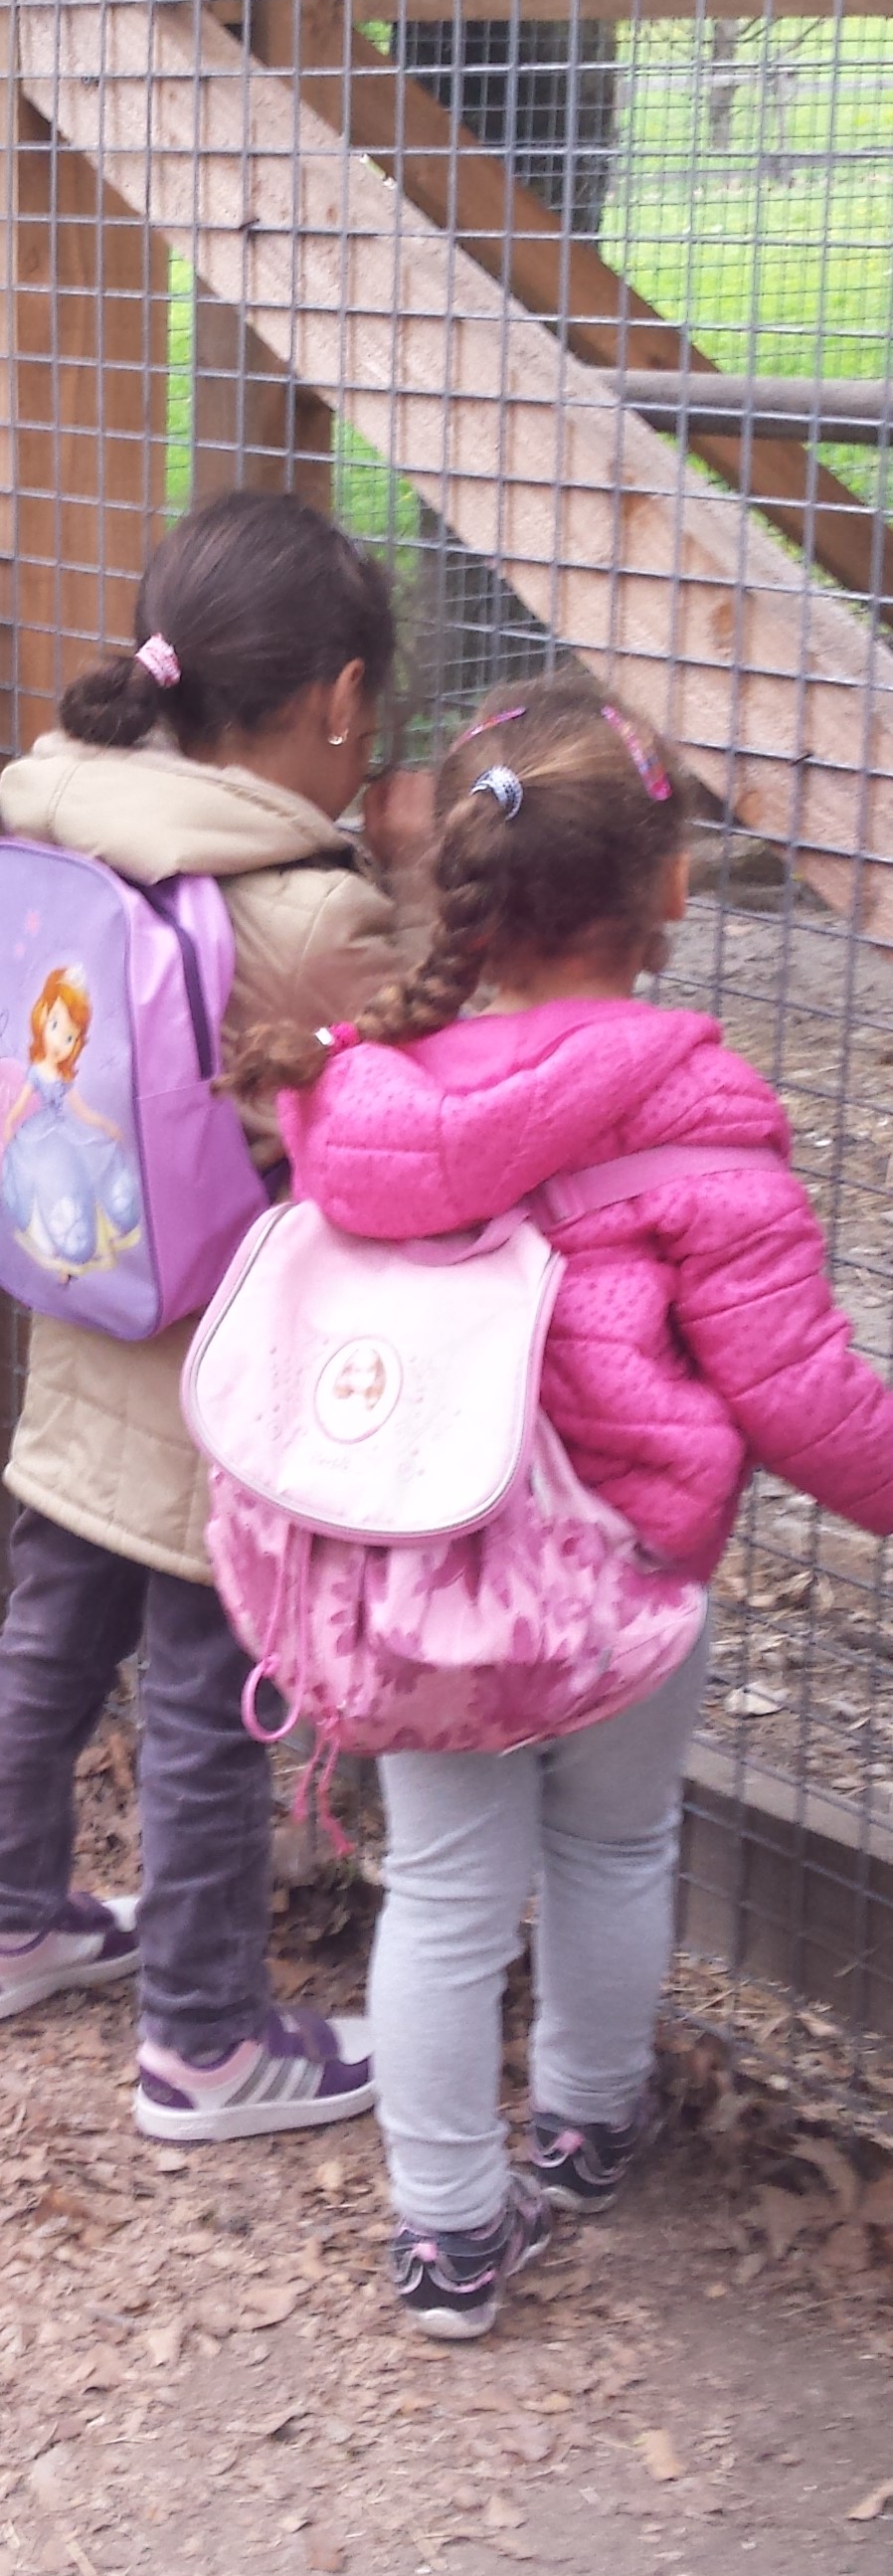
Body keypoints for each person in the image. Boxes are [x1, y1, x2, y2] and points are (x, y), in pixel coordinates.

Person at [241, 672, 893, 2334]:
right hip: (619, 1577)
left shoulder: (376, 1098)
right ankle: (590, 2123)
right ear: (668, 892)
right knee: (616, 1842)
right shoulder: (696, 1105)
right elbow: (803, 1393)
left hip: (416, 1568)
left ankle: (448, 2229)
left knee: (446, 1895)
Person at [0, 492, 406, 2146]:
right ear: (340, 702)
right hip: (228, 1373)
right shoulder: (314, 909)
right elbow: (396, 1124)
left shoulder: (66, 819)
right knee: (210, 1694)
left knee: (46, 1635)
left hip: (75, 1327)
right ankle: (203, 2033)